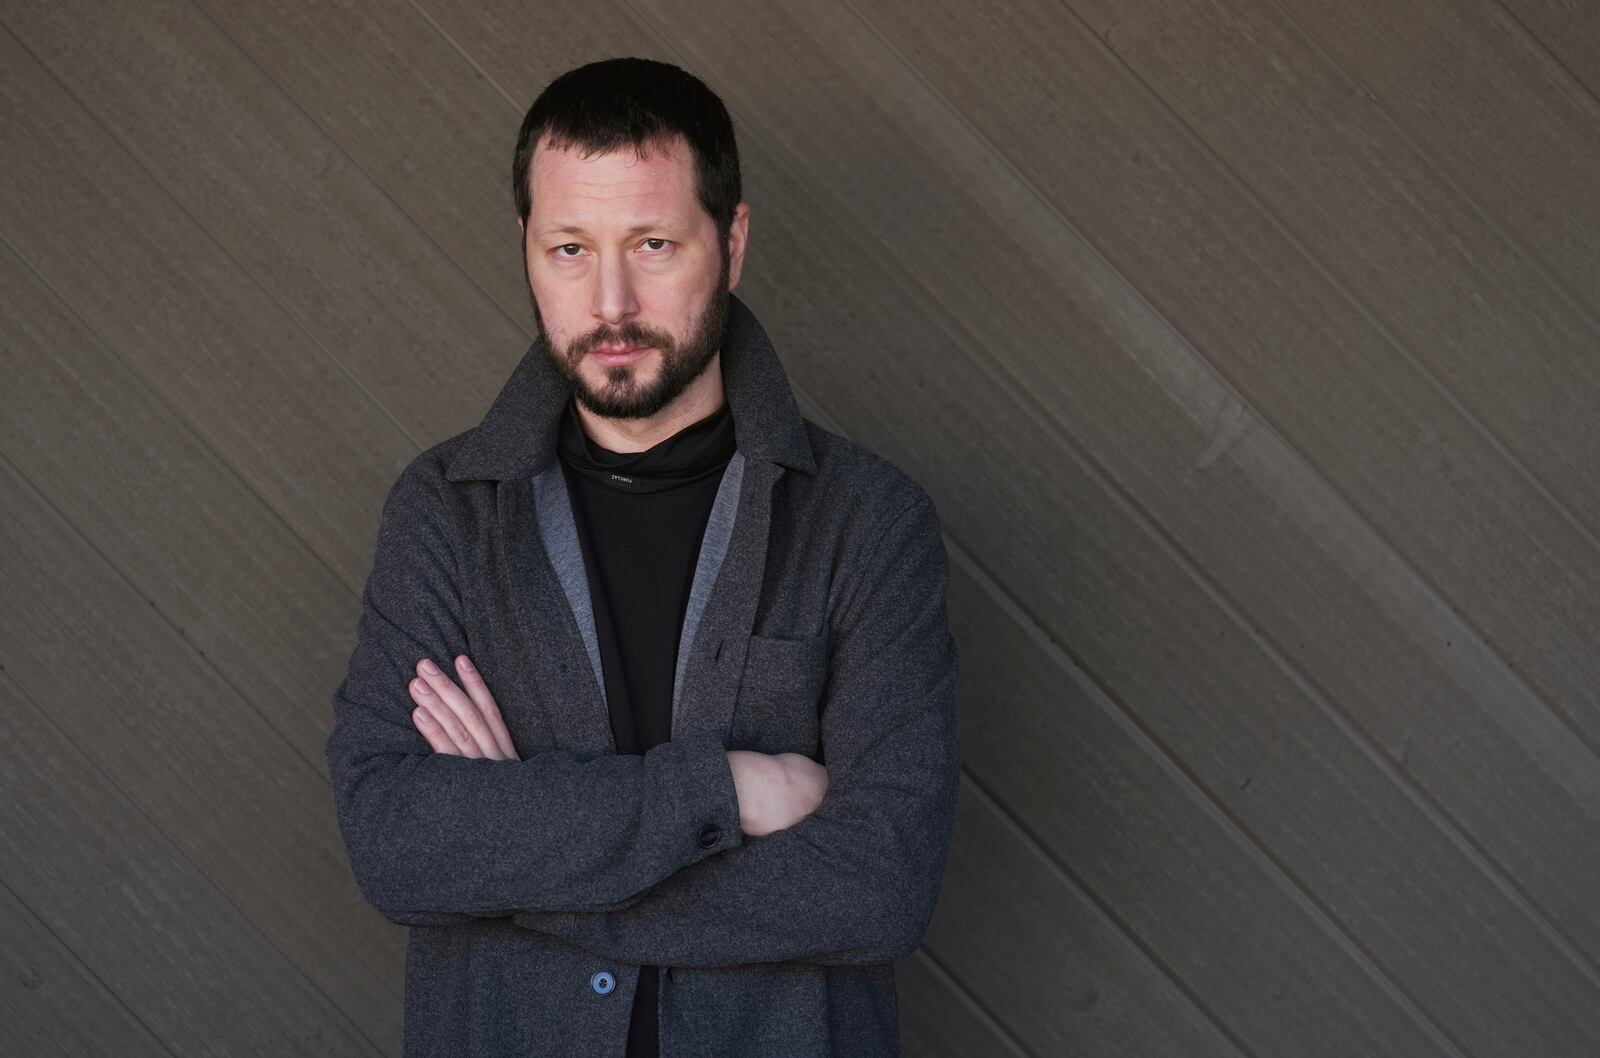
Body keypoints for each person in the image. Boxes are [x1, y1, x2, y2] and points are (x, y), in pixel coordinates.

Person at [325, 55, 961, 1057]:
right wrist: (721, 793)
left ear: (733, 241)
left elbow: (876, 884)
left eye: (653, 244)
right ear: (526, 248)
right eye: (569, 248)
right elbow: (395, 840)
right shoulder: (444, 513)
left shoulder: (866, 521)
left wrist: (514, 857)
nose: (610, 300)